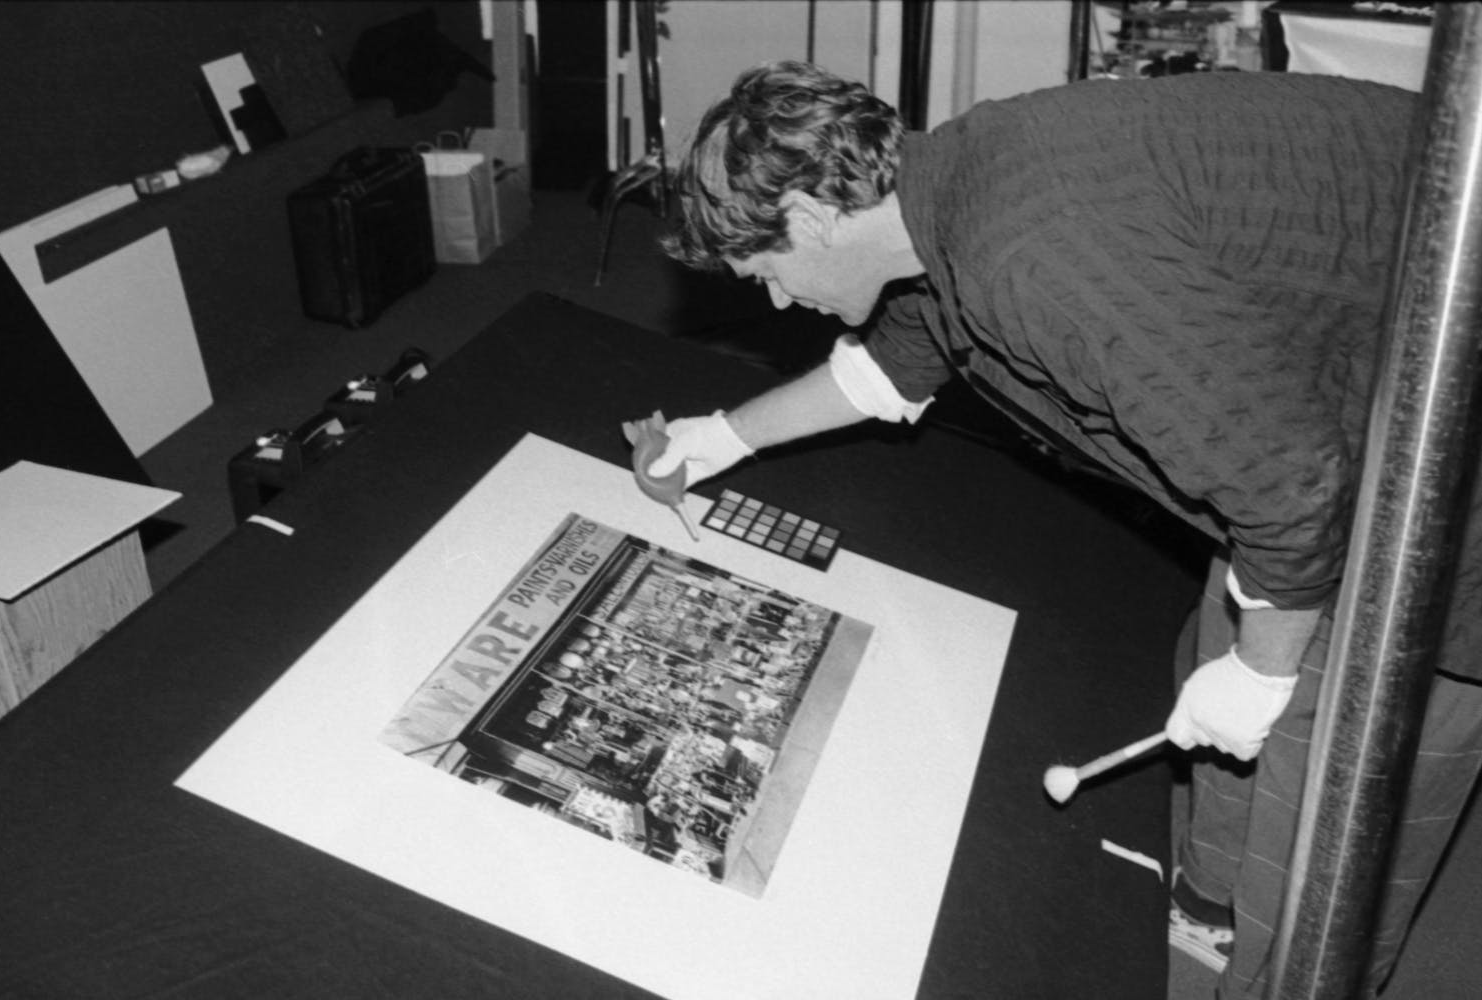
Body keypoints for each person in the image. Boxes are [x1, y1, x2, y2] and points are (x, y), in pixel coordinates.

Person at [631, 61, 1482, 998]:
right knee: (1222, 655)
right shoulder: (940, 190)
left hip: (1443, 465)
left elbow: (1292, 488)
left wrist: (1266, 668)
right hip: (1330, 392)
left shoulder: (1030, 256)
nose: (778, 303)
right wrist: (718, 439)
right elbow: (892, 371)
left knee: (1321, 821)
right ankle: (1203, 913)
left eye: (768, 273)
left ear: (814, 216)